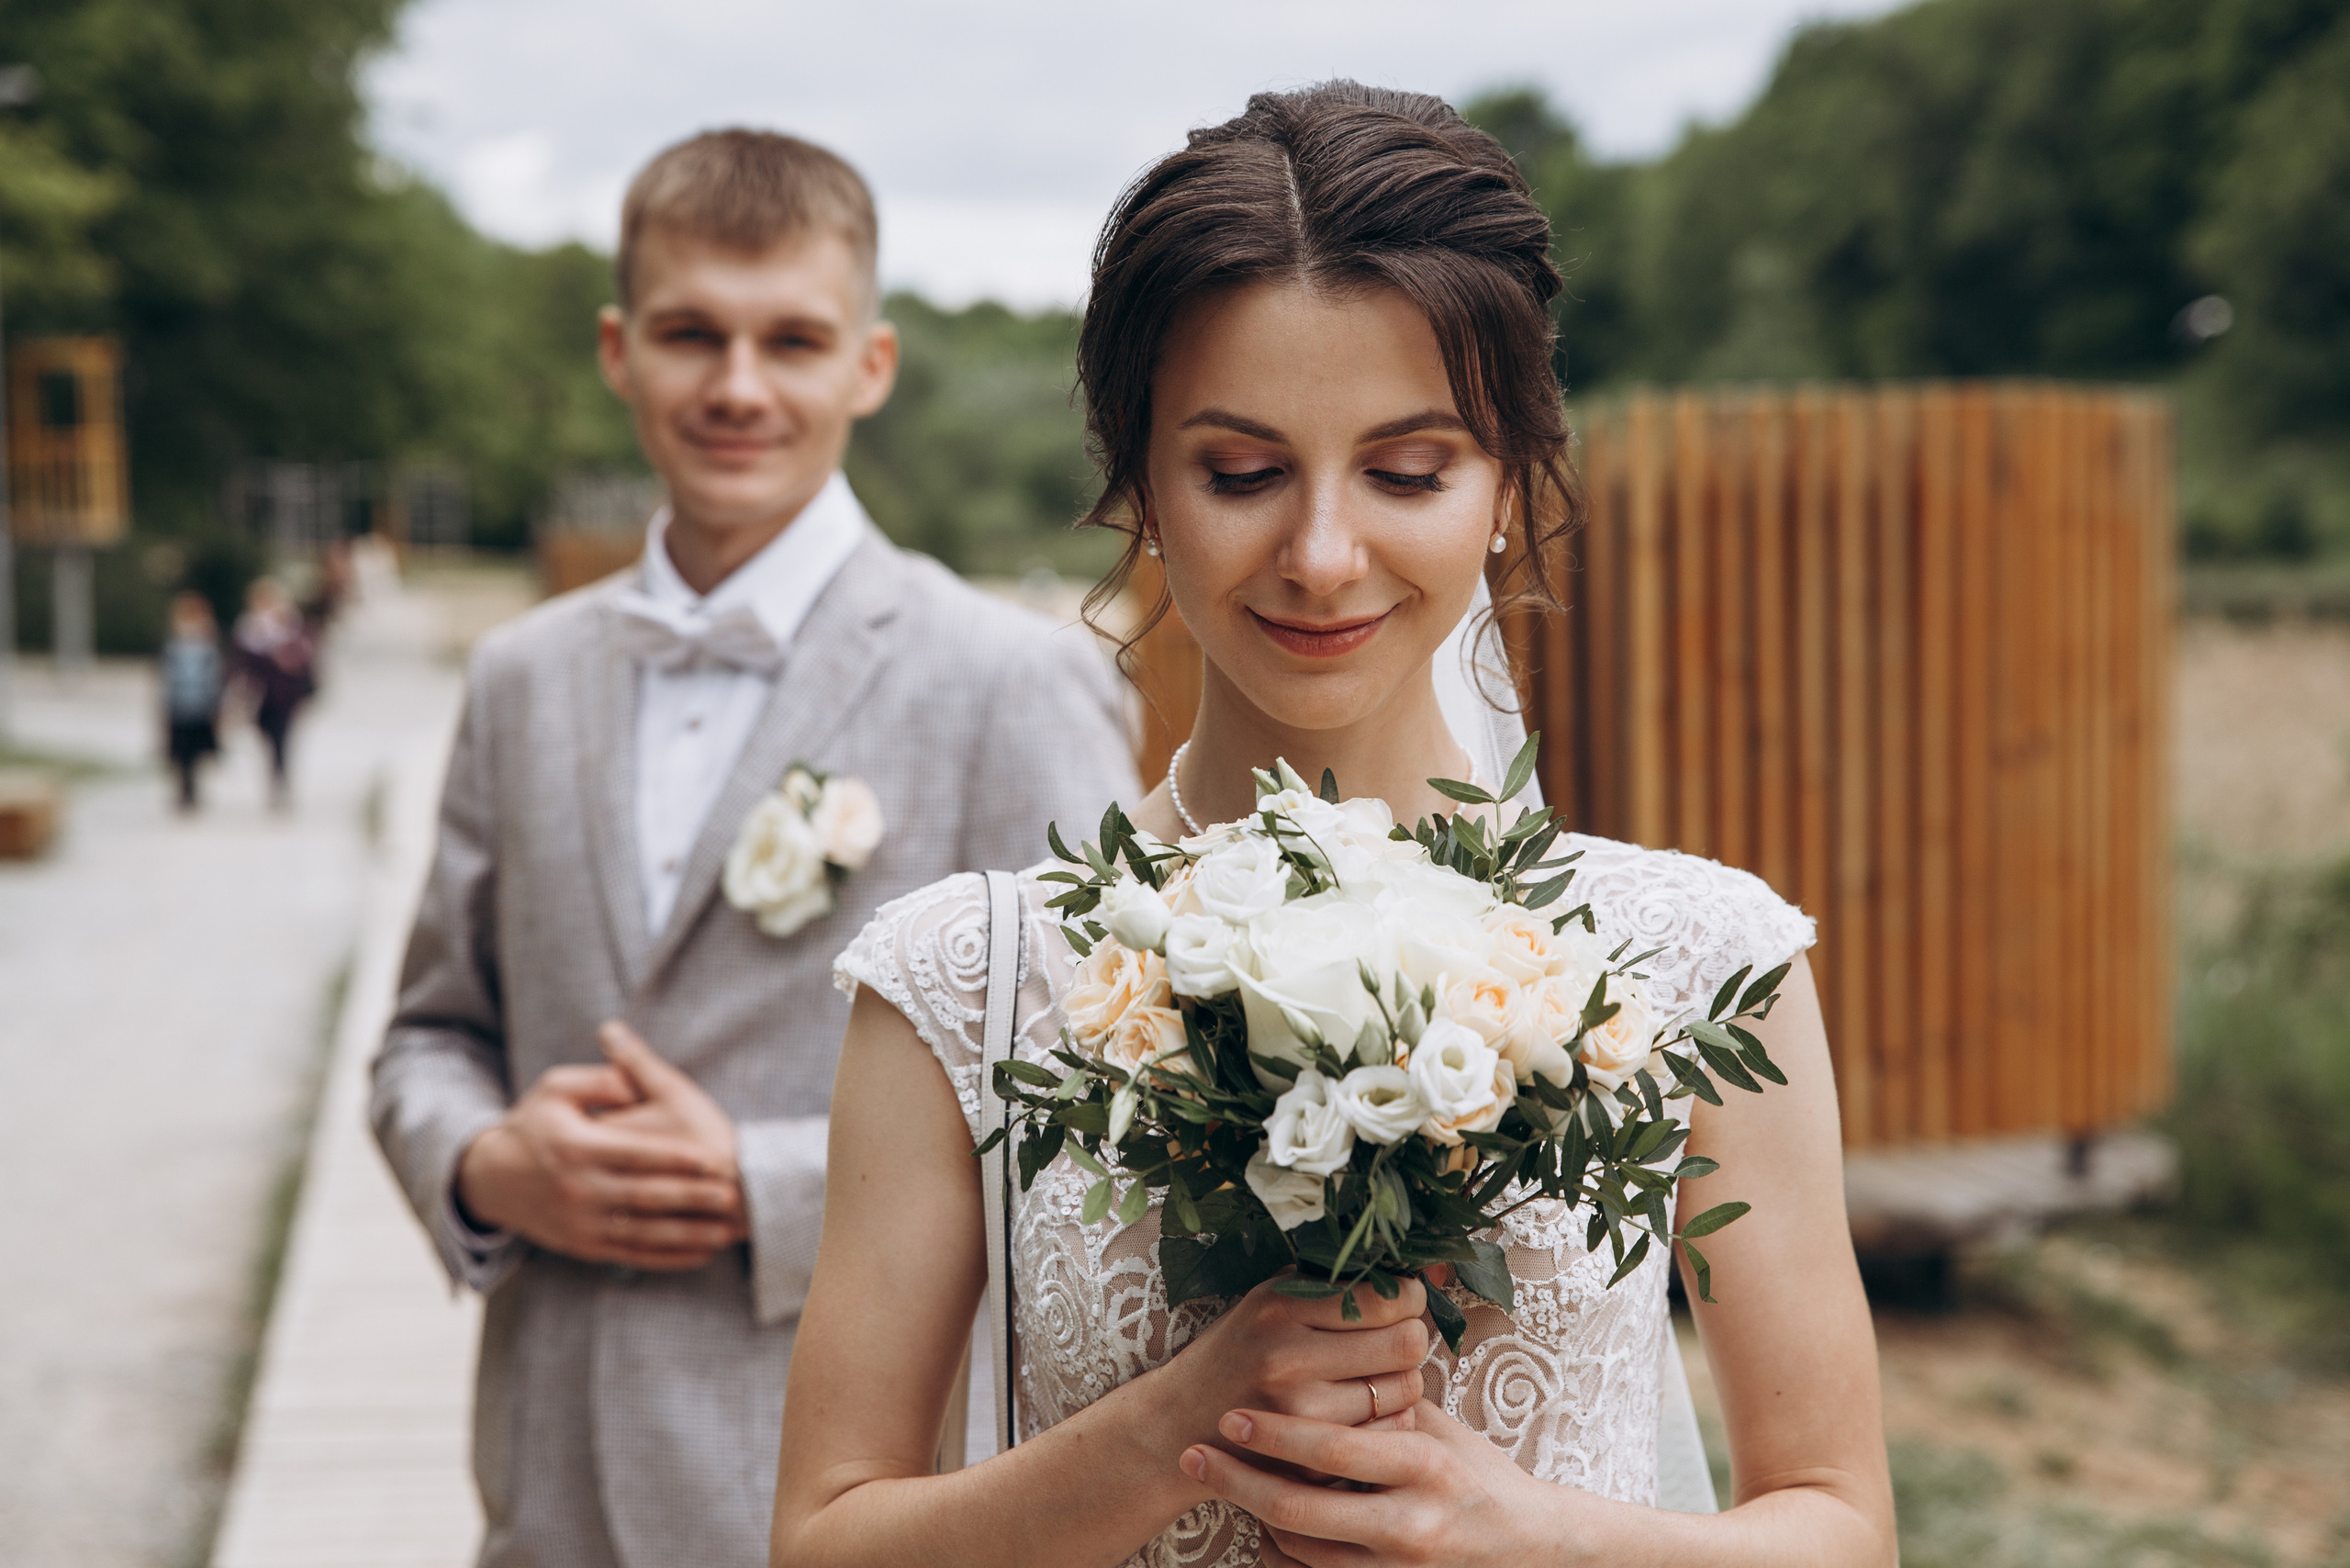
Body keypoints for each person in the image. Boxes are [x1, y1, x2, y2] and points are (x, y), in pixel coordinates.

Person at [775, 84, 1896, 1568]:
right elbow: (823, 1536)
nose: (1320, 555)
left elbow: (1841, 1528)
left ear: (1505, 486)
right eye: (1240, 473)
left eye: (1408, 471)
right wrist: (1172, 1426)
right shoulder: (968, 979)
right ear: (1142, 486)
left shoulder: (1704, 958)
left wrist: (1517, 1528)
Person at [368, 129, 1137, 1568]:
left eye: (791, 339)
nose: (737, 386)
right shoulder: (521, 678)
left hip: (843, 1494)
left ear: (871, 363)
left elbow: (1102, 1116)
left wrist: (766, 1181)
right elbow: (427, 1032)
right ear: (618, 349)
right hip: (543, 1496)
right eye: (689, 335)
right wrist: (483, 1161)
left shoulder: (1007, 684)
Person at [231, 577, 316, 810]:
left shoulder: (291, 624)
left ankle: (279, 779)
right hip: (261, 695)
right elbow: (244, 663)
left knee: (282, 737)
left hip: (286, 695)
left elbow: (305, 657)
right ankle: (276, 775)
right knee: (267, 735)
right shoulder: (249, 628)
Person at [160, 591, 224, 812]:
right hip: (179, 705)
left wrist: (217, 706)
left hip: (201, 706)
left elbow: (215, 679)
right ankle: (184, 788)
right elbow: (166, 679)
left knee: (196, 751)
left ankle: (192, 788)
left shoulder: (208, 648)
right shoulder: (172, 647)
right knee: (180, 751)